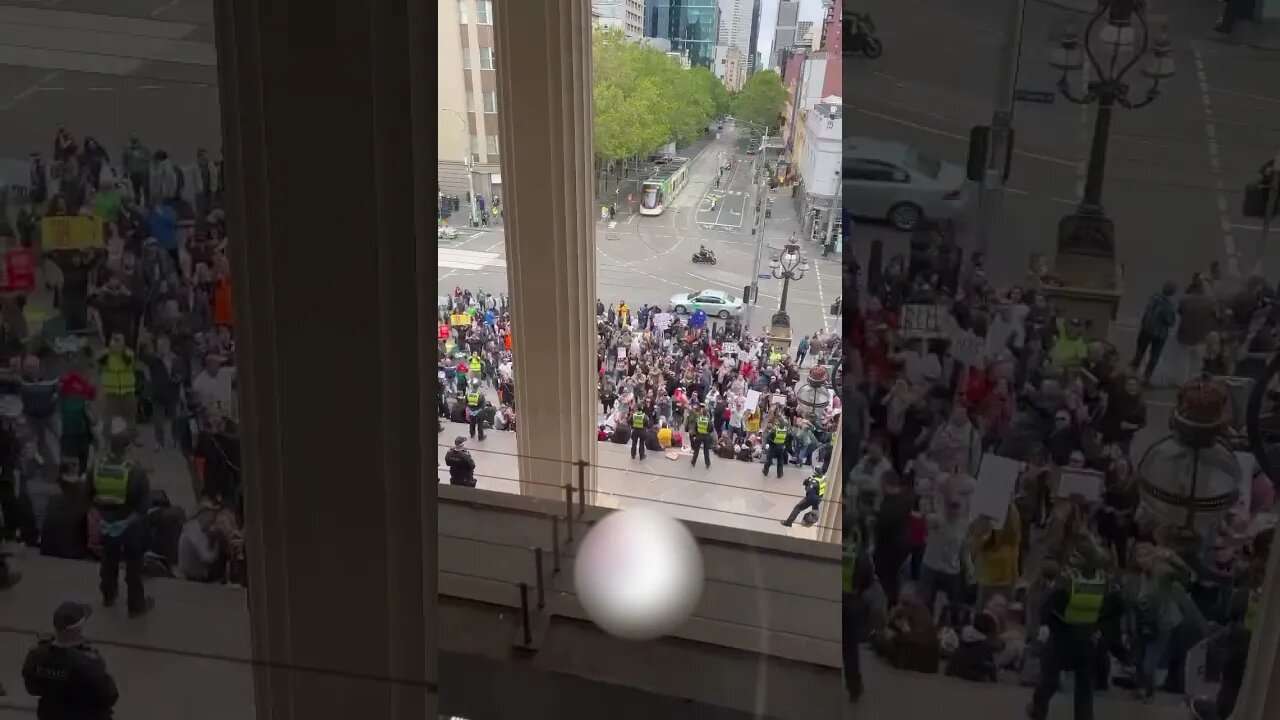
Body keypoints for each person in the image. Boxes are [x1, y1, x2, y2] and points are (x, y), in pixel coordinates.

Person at [1027, 552, 1122, 720]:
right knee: (1084, 689)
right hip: (1087, 639)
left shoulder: (1067, 579)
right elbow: (1116, 606)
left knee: (1049, 682)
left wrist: (1046, 627)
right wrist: (1100, 628)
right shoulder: (1104, 582)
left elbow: (1050, 606)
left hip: (1062, 638)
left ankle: (1038, 711)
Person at [88, 419, 154, 617]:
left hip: (107, 523)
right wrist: (126, 522)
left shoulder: (97, 467)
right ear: (128, 447)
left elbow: (87, 496)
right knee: (134, 566)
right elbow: (143, 507)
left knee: (109, 560)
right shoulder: (135, 471)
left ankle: (108, 595)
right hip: (130, 525)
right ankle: (136, 605)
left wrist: (99, 519)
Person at [21, 601, 119, 720]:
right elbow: (110, 696)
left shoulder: (37, 656)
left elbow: (31, 688)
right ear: (78, 630)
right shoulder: (89, 663)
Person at [688, 403, 712, 469]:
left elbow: (695, 428)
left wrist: (697, 433)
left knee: (696, 450)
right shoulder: (708, 421)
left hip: (699, 436)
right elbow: (711, 429)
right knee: (706, 451)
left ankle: (693, 462)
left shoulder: (698, 420)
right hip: (706, 436)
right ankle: (707, 463)